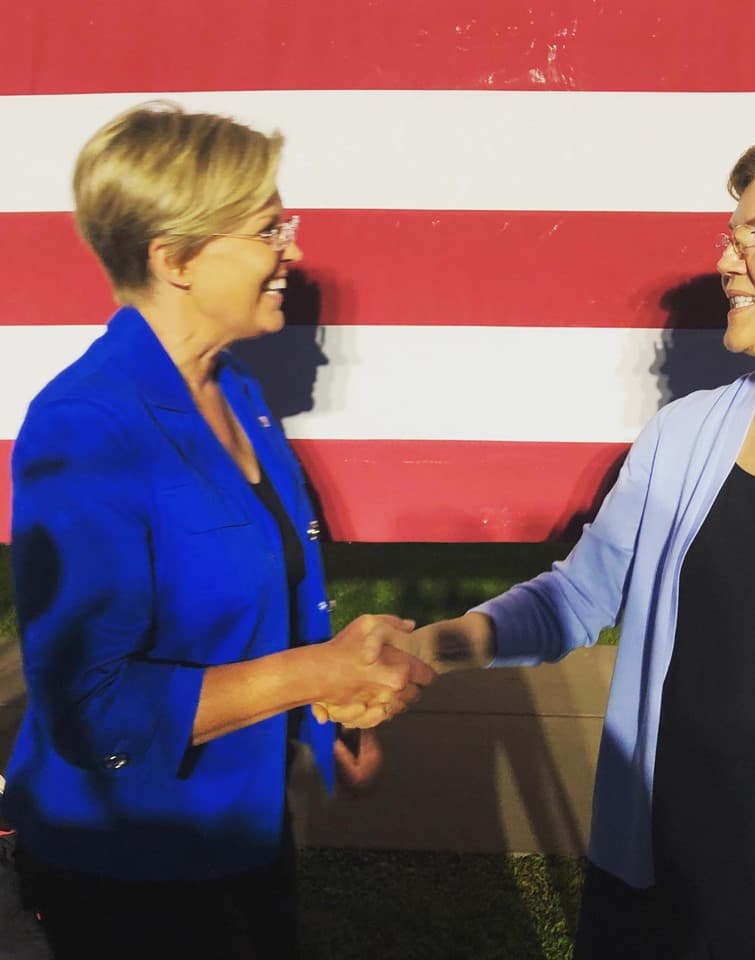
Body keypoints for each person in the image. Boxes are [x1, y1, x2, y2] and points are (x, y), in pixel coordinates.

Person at [392, 124, 755, 958]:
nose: (729, 259)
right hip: (651, 888)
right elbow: (578, 597)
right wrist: (427, 647)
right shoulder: (684, 434)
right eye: (734, 235)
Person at [0, 101, 435, 960]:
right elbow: (90, 706)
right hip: (127, 864)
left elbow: (269, 600)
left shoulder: (235, 389)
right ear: (175, 259)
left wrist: (331, 712)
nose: (293, 251)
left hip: (243, 829)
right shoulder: (88, 426)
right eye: (270, 228)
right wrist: (317, 671)